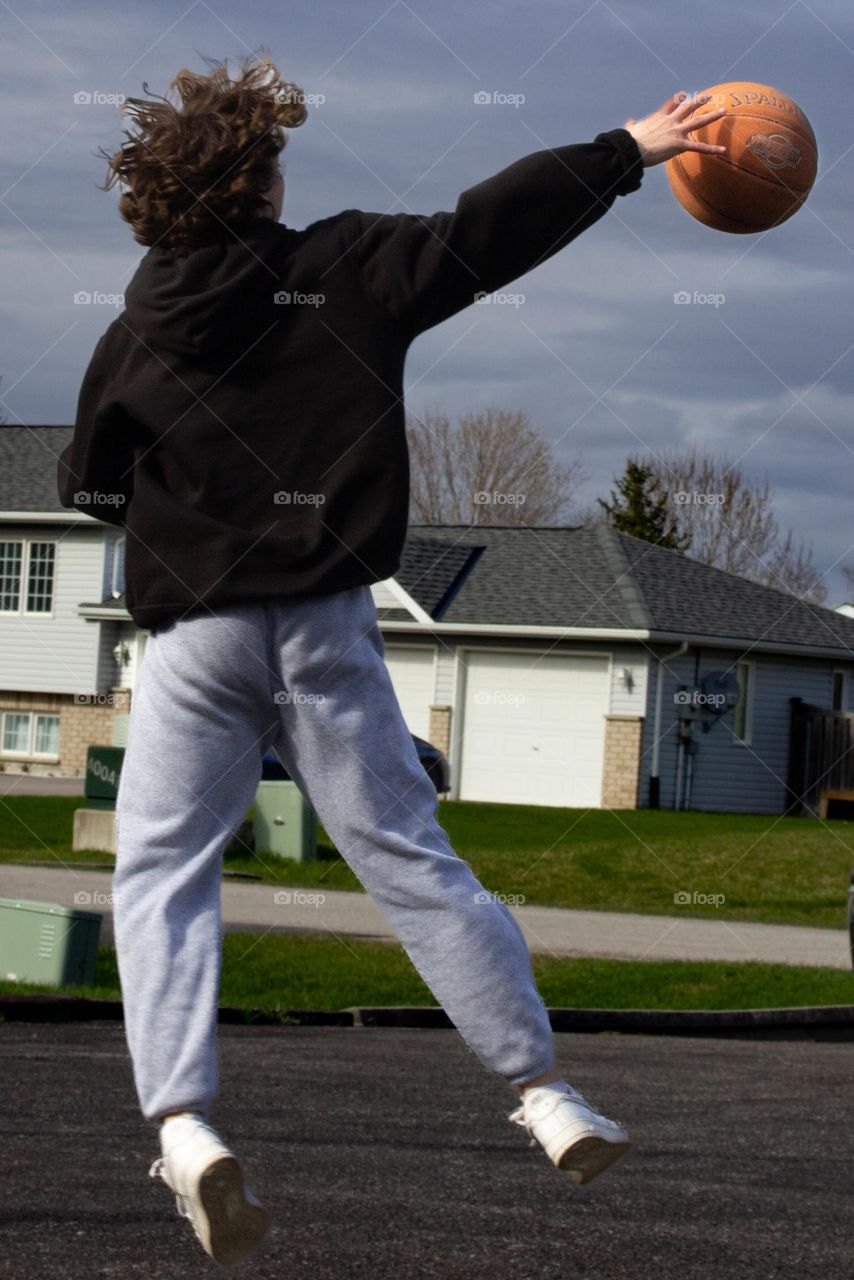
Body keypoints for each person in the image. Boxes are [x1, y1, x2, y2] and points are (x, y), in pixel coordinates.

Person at [57, 53, 727, 1265]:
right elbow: (488, 229)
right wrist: (623, 149)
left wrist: (186, 505)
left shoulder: (131, 337)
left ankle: (187, 1122)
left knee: (159, 872)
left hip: (196, 634)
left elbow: (88, 484)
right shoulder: (346, 268)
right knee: (411, 858)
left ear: (157, 201)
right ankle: (543, 1095)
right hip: (322, 623)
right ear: (261, 180)